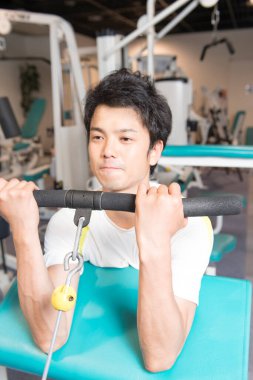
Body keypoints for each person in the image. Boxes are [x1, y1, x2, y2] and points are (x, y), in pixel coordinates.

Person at [0, 69, 213, 373]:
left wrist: (154, 241)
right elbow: (49, 336)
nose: (107, 151)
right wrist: (22, 230)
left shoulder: (190, 227)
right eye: (97, 137)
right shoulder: (69, 220)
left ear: (154, 151)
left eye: (125, 138)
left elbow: (160, 357)